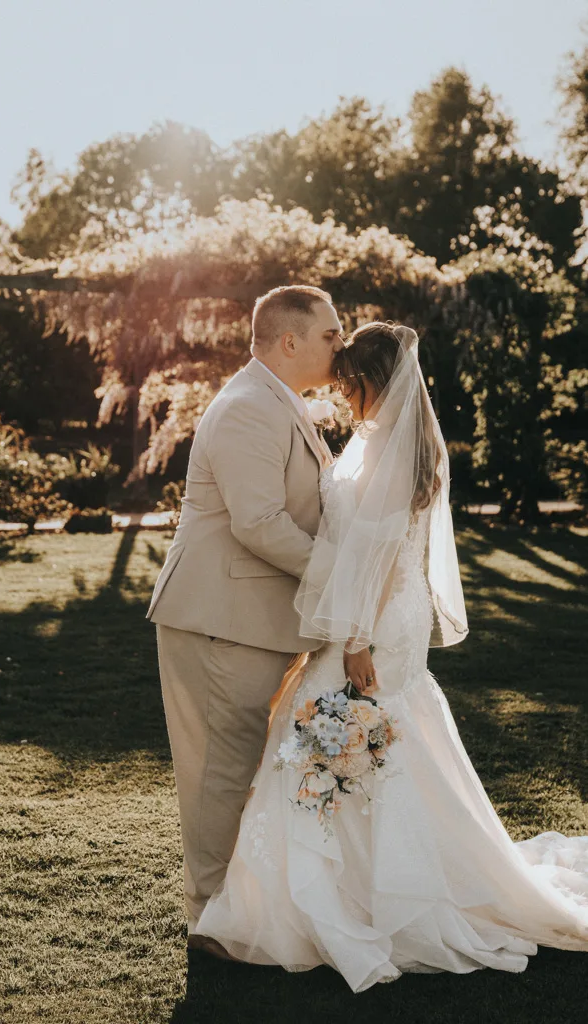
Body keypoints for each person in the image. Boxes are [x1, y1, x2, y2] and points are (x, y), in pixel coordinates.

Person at [194, 321, 588, 991]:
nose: (343, 396)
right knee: (372, 741)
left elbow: (372, 560)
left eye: (351, 385)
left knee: (330, 734)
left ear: (376, 383)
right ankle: (360, 882)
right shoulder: (386, 442)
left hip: (373, 622)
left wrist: (350, 643)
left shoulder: (389, 451)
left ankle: (339, 897)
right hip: (376, 615)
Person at [147, 285, 347, 957]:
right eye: (330, 334)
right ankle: (209, 919)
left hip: (254, 617)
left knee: (245, 766)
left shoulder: (279, 402)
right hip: (218, 617)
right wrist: (342, 574)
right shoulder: (244, 409)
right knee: (219, 771)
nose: (338, 346)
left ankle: (241, 906)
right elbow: (259, 523)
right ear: (288, 341)